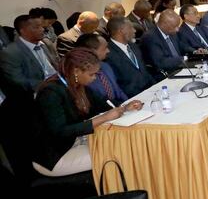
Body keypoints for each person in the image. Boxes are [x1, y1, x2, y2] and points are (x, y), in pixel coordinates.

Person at [31, 49, 143, 177]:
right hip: (56, 154)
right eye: (92, 74)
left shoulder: (77, 84)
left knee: (126, 145)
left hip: (76, 141)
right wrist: (103, 118)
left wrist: (124, 107)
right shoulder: (50, 92)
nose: (95, 78)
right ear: (76, 71)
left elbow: (103, 105)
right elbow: (60, 131)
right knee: (118, 156)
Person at [0, 15, 58, 96]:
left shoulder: (42, 44)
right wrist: (46, 84)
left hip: (57, 85)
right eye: (37, 27)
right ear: (23, 31)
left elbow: (54, 65)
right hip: (36, 94)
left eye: (41, 26)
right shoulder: (10, 52)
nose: (42, 29)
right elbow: (18, 81)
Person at [104, 17, 154, 98]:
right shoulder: (108, 53)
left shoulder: (134, 46)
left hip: (150, 90)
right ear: (122, 30)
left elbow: (143, 70)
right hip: (132, 97)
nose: (134, 30)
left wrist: (155, 86)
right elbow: (118, 83)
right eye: (131, 27)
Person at [75, 33, 128, 105]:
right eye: (104, 48)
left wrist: (128, 102)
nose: (108, 51)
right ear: (91, 51)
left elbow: (118, 90)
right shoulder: (82, 77)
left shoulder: (105, 66)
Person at [141, 10, 185, 76]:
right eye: (174, 26)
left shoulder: (171, 32)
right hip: (163, 74)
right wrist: (184, 59)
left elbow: (181, 46)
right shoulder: (151, 37)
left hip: (179, 68)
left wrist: (194, 51)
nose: (177, 29)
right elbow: (161, 62)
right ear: (164, 24)